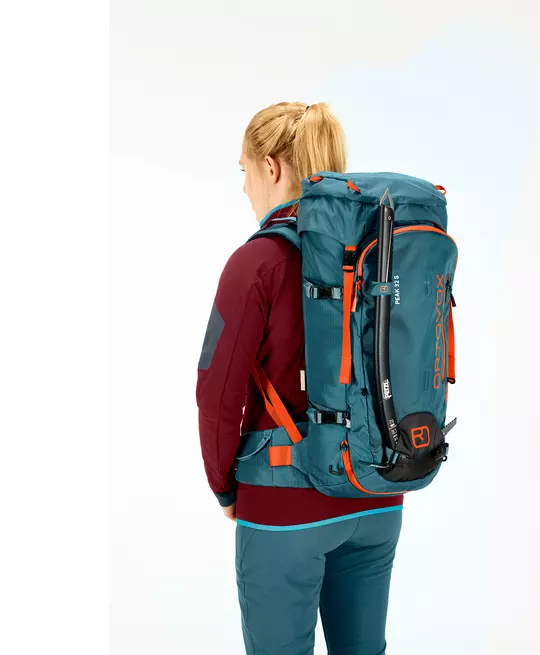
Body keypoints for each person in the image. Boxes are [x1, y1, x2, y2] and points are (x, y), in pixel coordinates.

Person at [196, 101, 404, 655]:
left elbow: (217, 393)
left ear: (270, 167)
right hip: (378, 490)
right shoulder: (378, 253)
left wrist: (223, 486)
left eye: (244, 170)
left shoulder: (256, 262)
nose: (244, 187)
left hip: (284, 504)